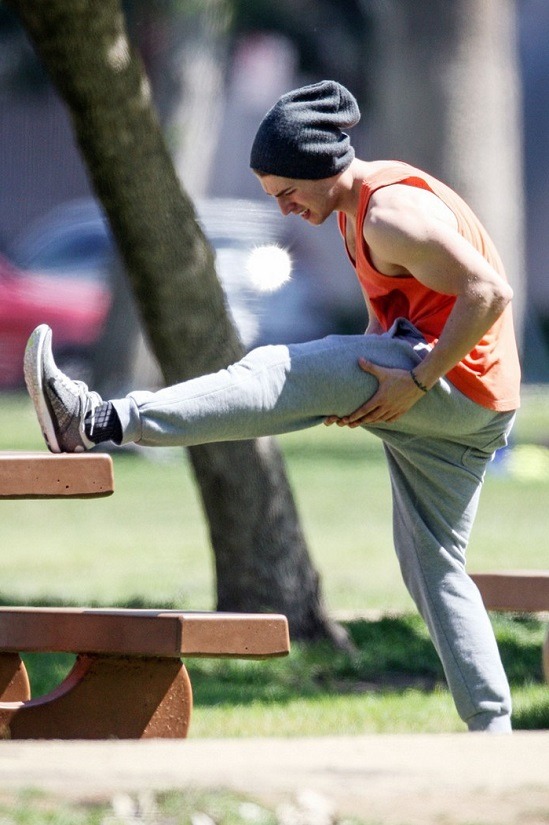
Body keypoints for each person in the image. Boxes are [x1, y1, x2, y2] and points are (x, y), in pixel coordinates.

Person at [24, 80, 520, 733]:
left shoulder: (388, 214)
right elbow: (402, 309)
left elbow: (489, 290)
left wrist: (417, 380)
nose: (283, 208)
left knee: (277, 370)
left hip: (451, 386)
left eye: (286, 192)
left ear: (320, 168)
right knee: (432, 567)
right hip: (479, 408)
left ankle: (97, 419)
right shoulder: (359, 208)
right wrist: (360, 384)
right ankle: (493, 732)